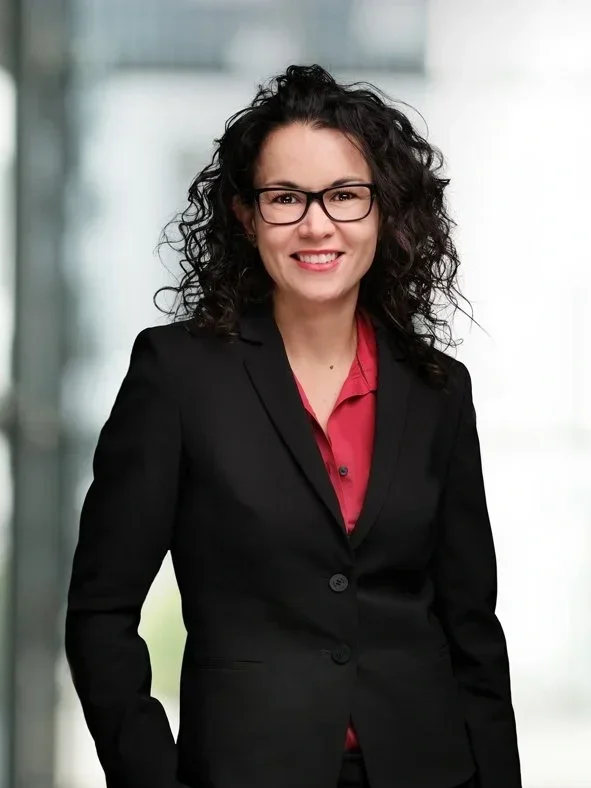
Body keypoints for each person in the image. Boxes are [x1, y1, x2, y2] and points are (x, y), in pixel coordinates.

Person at [65, 64, 522, 788]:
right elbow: (101, 613)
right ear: (246, 217)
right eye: (285, 198)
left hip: (430, 768)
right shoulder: (177, 375)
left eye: (344, 196)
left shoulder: (437, 389)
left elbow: (471, 629)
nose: (317, 224)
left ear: (383, 212)